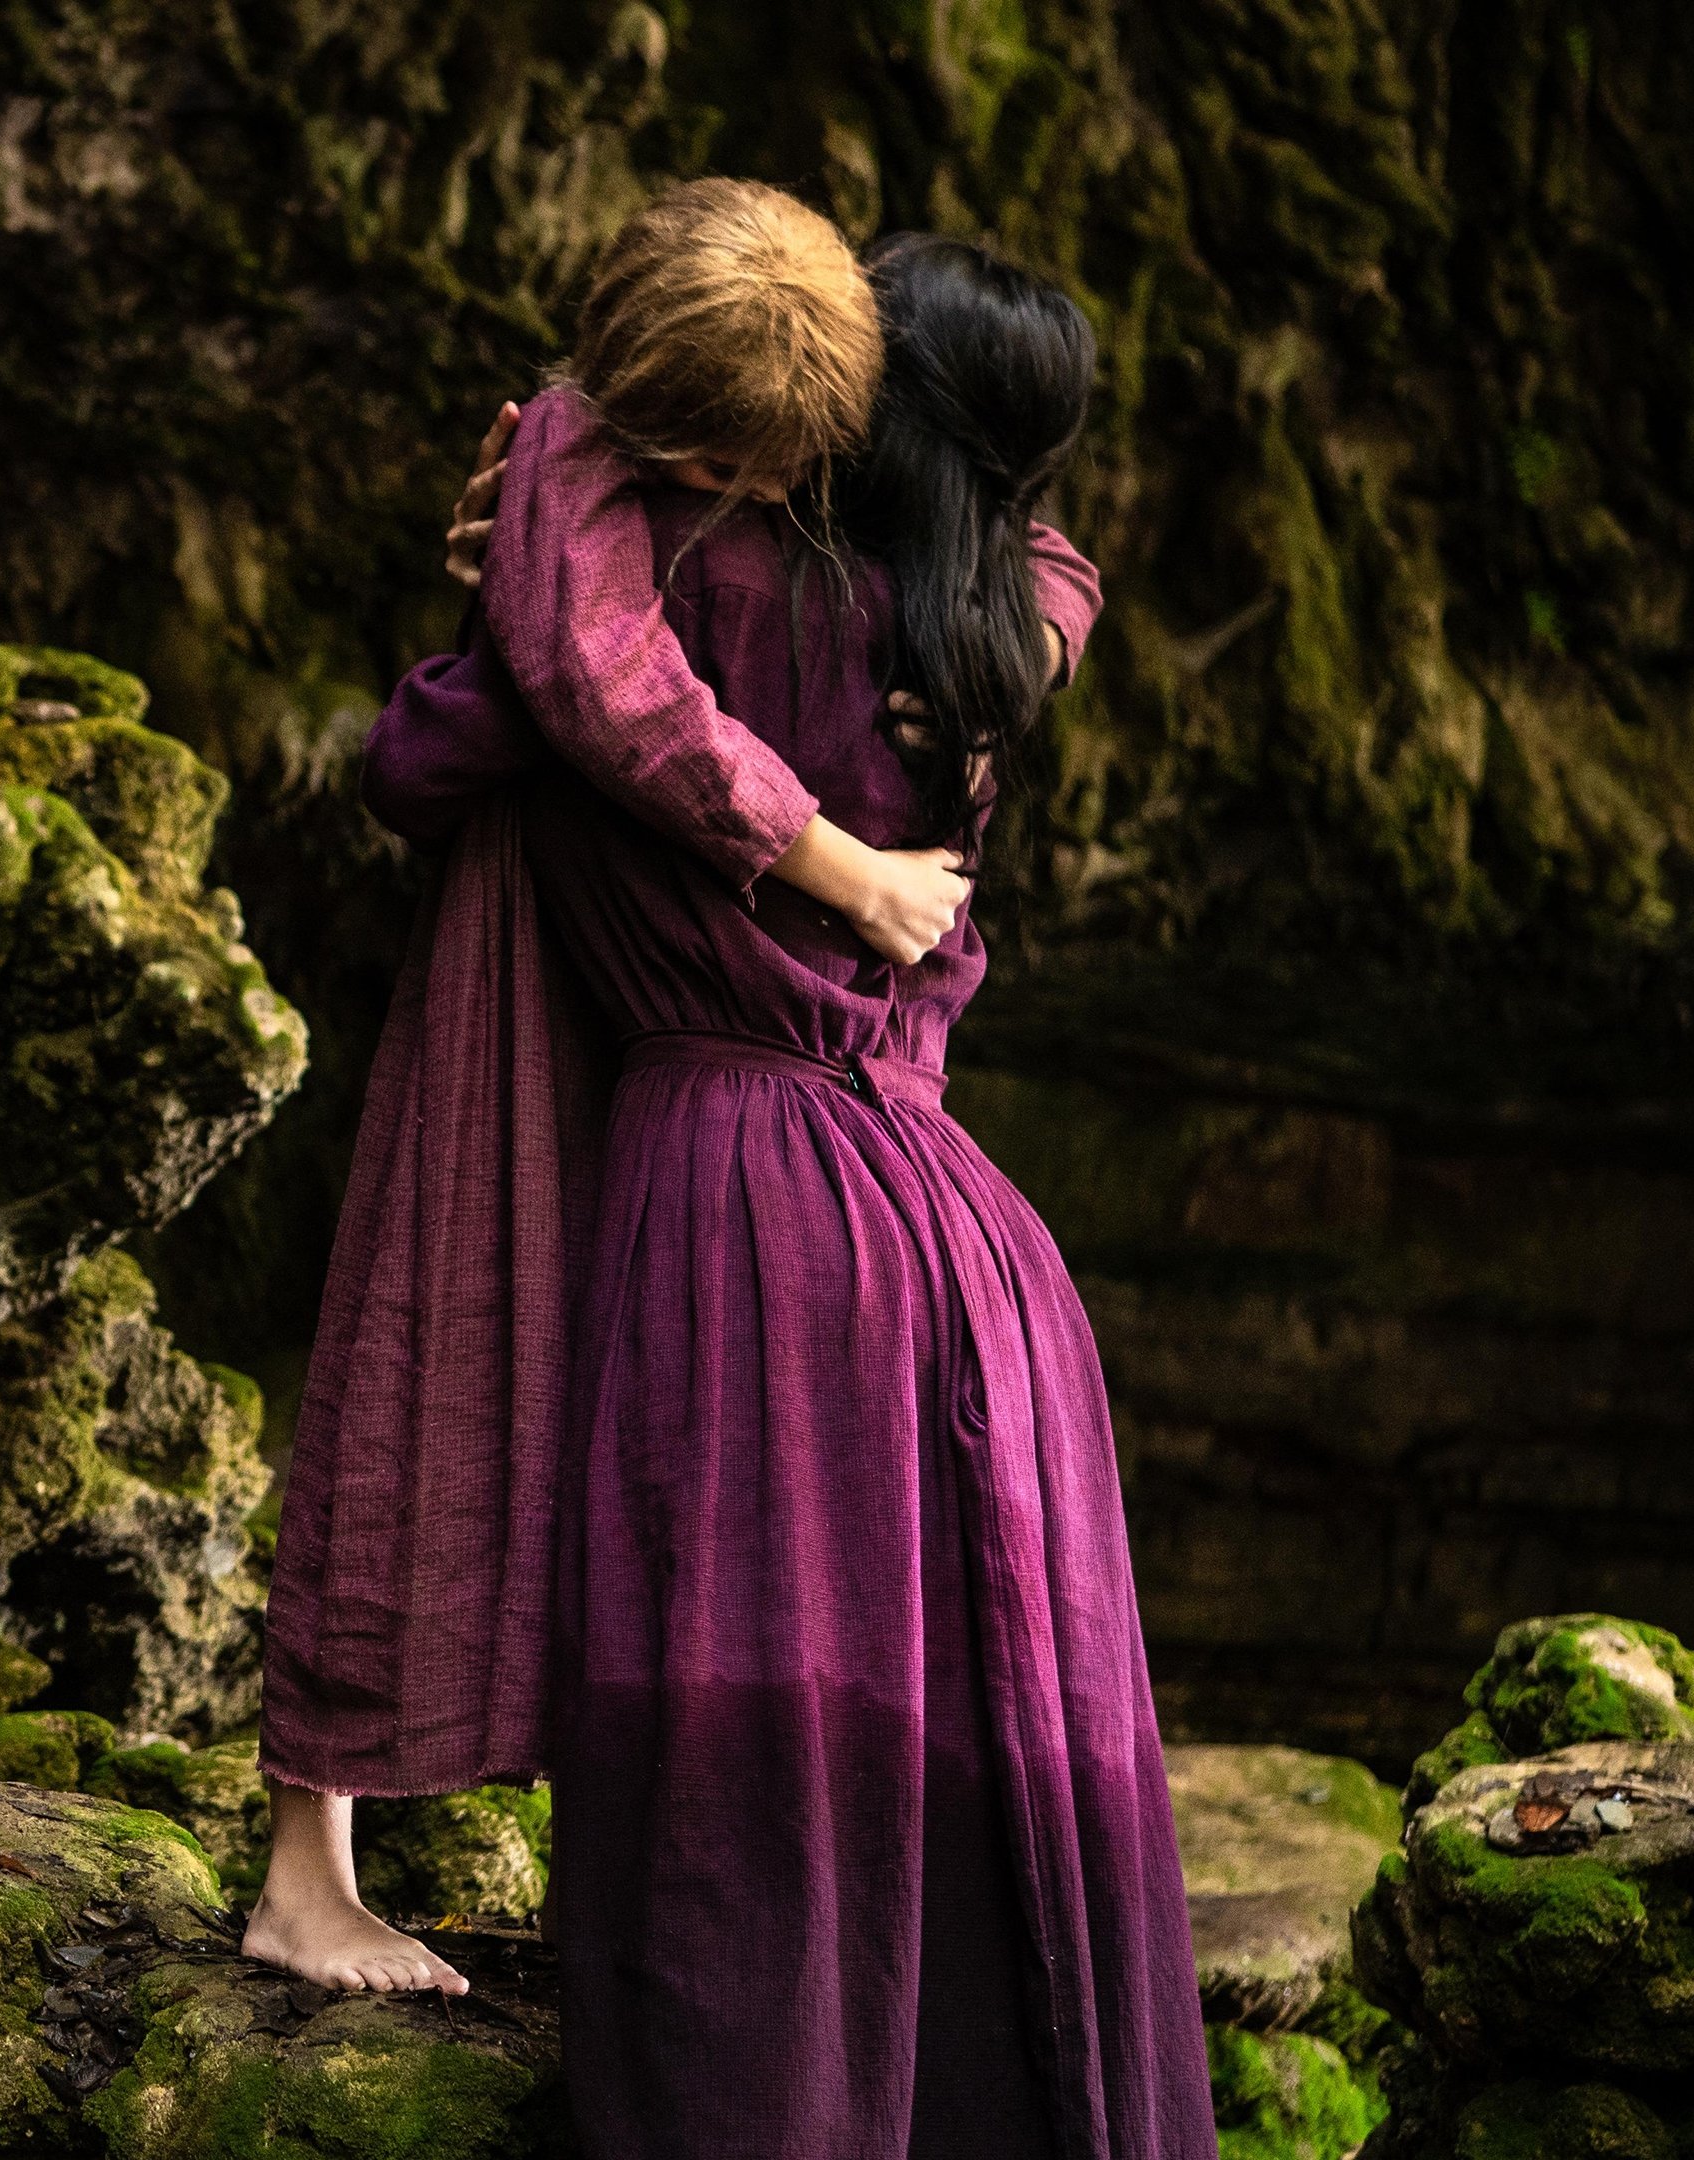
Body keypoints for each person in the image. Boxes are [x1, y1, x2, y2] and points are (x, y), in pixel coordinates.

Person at [300, 230, 1217, 2154]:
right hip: (972, 1252)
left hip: (746, 1206)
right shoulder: (1001, 630)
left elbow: (424, 756)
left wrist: (531, 544)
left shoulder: (685, 589)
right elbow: (1050, 557)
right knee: (965, 1752)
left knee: (746, 1755)